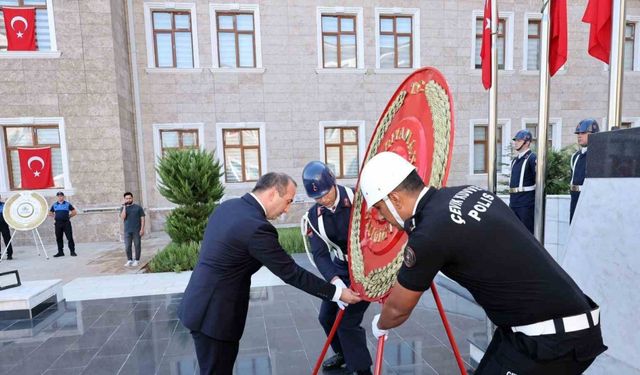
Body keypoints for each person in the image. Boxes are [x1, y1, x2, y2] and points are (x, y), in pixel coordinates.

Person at [360, 152, 606, 375]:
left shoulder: (429, 234)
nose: (382, 217)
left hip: (551, 338)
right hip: (551, 322)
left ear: (395, 197)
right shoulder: (469, 192)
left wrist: (380, 324)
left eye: (380, 208)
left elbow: (397, 310)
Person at [178, 172, 361, 375]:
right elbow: (292, 273)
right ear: (273, 193)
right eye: (288, 201)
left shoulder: (228, 207)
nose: (286, 210)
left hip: (197, 303)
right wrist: (338, 293)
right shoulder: (256, 228)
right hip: (216, 316)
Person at [301, 161, 372, 375]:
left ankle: (361, 370)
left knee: (348, 323)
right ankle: (343, 353)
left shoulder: (360, 200)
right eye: (317, 197)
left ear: (334, 182)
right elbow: (320, 255)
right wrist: (336, 283)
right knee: (326, 317)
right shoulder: (313, 217)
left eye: (325, 193)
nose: (323, 200)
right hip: (341, 267)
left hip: (367, 266)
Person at [570, 118, 599, 223]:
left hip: (589, 199)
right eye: (578, 133)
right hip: (575, 197)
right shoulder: (575, 156)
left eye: (583, 133)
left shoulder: (597, 155)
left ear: (593, 134)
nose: (579, 135)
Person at [509, 129, 537, 233]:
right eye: (515, 140)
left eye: (519, 141)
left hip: (526, 201)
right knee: (515, 232)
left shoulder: (532, 158)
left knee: (527, 231)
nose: (516, 143)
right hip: (514, 200)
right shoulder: (515, 160)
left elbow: (537, 180)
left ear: (527, 142)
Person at [120, 192, 145, 267]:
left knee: (137, 245)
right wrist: (124, 206)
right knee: (127, 246)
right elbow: (123, 217)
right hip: (127, 231)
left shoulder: (138, 207)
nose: (128, 199)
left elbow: (142, 218)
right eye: (126, 198)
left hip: (137, 230)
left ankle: (137, 260)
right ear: (124, 199)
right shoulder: (123, 208)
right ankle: (129, 260)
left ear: (132, 198)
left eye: (130, 198)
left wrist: (142, 229)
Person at [49, 191, 77, 257]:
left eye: (61, 196)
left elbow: (74, 212)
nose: (60, 197)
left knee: (69, 237)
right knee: (59, 238)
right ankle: (60, 252)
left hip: (66, 223)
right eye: (58, 196)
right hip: (58, 224)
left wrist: (69, 216)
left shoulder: (67, 204)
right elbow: (50, 213)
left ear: (63, 197)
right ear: (57, 197)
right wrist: (55, 216)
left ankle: (72, 252)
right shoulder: (54, 205)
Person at [0, 195, 14, 260]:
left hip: (4, 224)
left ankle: (9, 254)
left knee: (7, 239)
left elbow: (9, 213)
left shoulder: (4, 205)